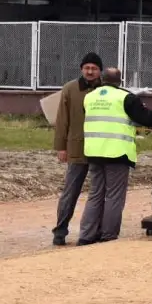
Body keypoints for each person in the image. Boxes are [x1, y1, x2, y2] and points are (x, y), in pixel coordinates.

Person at [77, 66, 152, 246]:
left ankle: (86, 235)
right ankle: (108, 235)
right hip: (117, 152)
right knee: (114, 195)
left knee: (95, 194)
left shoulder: (89, 98)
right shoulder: (126, 98)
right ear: (120, 82)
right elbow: (148, 118)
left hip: (94, 152)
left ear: (102, 79)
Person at [51, 52, 103, 246]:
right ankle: (60, 230)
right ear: (81, 69)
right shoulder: (70, 89)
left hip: (101, 148)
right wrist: (61, 147)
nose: (90, 72)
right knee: (70, 192)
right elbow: (62, 120)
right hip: (76, 147)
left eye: (94, 68)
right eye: (87, 68)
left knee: (98, 193)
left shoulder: (105, 90)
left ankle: (96, 231)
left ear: (100, 71)